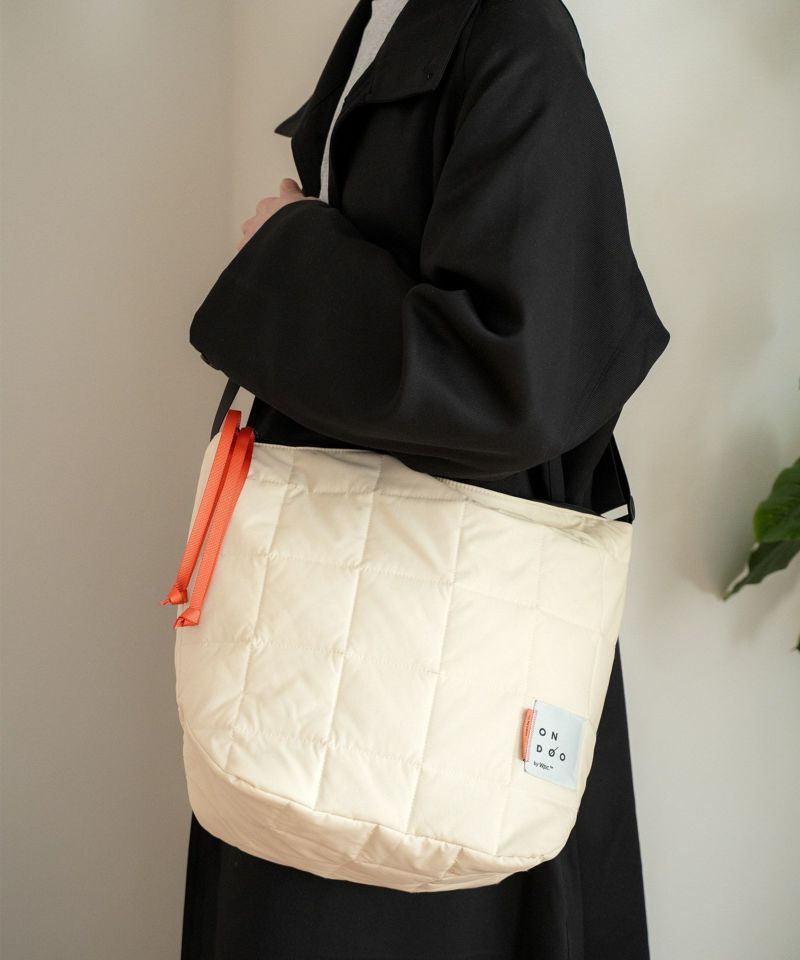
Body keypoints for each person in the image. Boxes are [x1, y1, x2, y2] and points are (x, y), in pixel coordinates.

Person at [182, 0, 671, 957]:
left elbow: (512, 380)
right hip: (351, 643)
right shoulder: (399, 19)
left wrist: (292, 247)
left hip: (429, 667)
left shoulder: (511, 35)